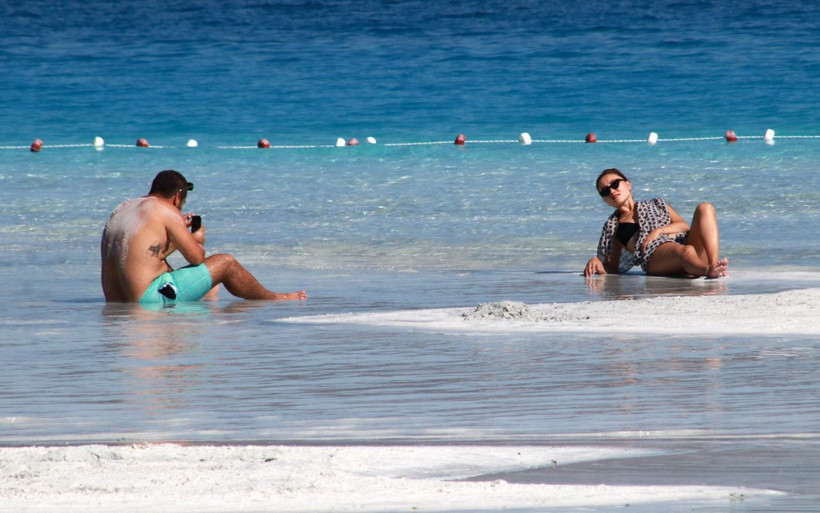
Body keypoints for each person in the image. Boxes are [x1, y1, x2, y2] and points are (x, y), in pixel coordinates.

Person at [101, 169, 306, 303]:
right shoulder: (167, 210)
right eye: (182, 203)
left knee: (211, 291)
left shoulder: (122, 208)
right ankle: (273, 297)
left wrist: (177, 240)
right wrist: (195, 239)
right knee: (225, 263)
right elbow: (197, 258)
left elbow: (147, 256)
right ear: (177, 197)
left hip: (116, 299)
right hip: (150, 298)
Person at [584, 168, 728, 279]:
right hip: (654, 258)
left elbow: (683, 226)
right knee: (687, 251)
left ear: (628, 184)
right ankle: (708, 271)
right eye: (605, 191)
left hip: (681, 244)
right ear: (605, 200)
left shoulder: (656, 204)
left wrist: (659, 231)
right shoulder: (614, 226)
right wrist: (597, 262)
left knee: (705, 208)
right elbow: (612, 267)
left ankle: (713, 264)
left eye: (615, 184)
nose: (612, 191)